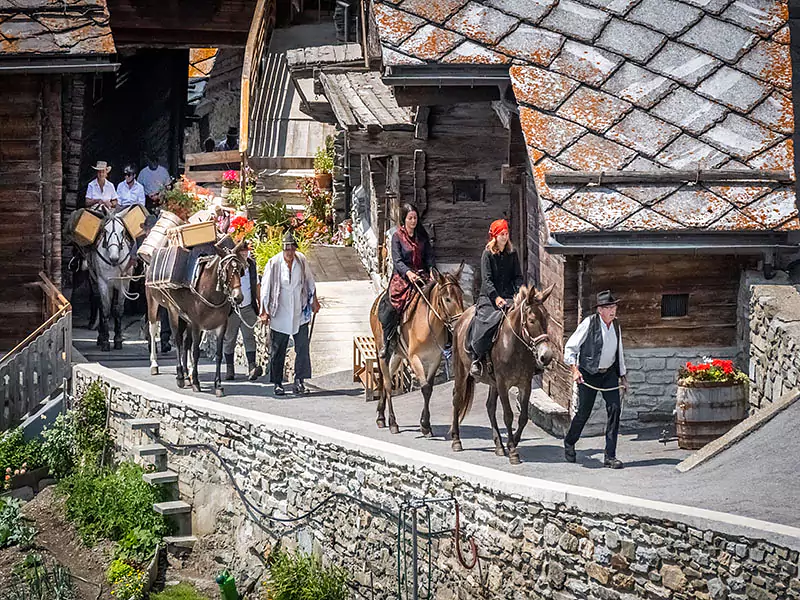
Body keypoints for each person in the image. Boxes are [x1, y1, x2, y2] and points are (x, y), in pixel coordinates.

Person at [563, 290, 630, 469]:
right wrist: (575, 370)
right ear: (600, 310)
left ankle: (610, 456)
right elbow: (570, 347)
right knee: (584, 412)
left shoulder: (616, 325)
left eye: (614, 306)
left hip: (609, 374)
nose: (612, 310)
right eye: (608, 307)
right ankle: (569, 442)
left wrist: (623, 376)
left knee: (615, 410)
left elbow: (619, 352)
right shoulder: (589, 323)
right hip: (589, 373)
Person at [259, 231, 320, 396]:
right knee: (278, 349)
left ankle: (299, 380)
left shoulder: (301, 260)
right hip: (280, 311)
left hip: (299, 311)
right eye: (287, 250)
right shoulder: (274, 263)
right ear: (283, 250)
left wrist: (314, 300)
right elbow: (265, 288)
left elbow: (309, 280)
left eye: (292, 250)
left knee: (302, 348)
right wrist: (264, 311)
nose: (290, 253)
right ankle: (278, 383)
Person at [377, 203, 435, 360]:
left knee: (439, 299)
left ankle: (445, 340)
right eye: (410, 218)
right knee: (392, 307)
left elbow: (429, 256)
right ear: (404, 219)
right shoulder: (397, 237)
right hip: (403, 277)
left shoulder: (422, 236)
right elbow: (397, 261)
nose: (413, 221)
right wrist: (408, 273)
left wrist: (431, 270)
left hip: (422, 275)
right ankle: (388, 341)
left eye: (415, 218)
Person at [467, 219, 523, 377]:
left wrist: (519, 291)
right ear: (495, 237)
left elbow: (517, 276)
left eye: (506, 234)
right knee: (486, 322)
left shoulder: (512, 253)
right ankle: (477, 357)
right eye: (501, 234)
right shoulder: (487, 255)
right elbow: (487, 280)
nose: (505, 237)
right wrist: (496, 297)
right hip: (490, 297)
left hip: (509, 296)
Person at [224, 242, 262, 381]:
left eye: (247, 251)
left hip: (247, 307)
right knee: (229, 339)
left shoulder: (251, 265)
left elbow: (256, 285)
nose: (246, 253)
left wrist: (261, 305)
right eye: (243, 251)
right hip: (233, 309)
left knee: (249, 337)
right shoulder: (232, 265)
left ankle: (252, 367)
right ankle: (229, 369)